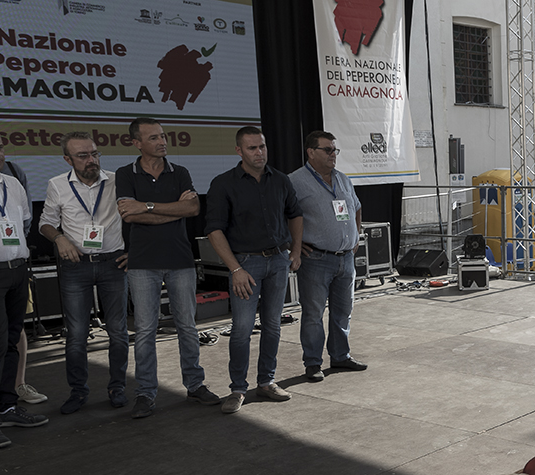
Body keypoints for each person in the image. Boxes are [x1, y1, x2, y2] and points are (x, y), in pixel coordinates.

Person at [116, 117, 221, 419]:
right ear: (136, 143)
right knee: (146, 330)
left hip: (180, 261)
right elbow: (128, 215)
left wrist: (146, 206)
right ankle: (146, 393)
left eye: (163, 136)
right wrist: (171, 210)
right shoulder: (126, 174)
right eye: (153, 138)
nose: (162, 142)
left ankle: (195, 384)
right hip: (142, 263)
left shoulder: (180, 172)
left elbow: (192, 209)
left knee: (187, 326)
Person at [204, 126, 303, 415]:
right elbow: (214, 229)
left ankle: (266, 381)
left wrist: (294, 252)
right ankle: (237, 389)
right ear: (239, 151)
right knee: (242, 329)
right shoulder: (223, 184)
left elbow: (295, 214)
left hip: (278, 261)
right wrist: (235, 269)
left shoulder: (281, 180)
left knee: (273, 325)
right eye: (252, 148)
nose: (259, 152)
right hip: (246, 264)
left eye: (262, 146)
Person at [0, 123, 49, 449]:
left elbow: (24, 224)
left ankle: (7, 406)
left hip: (17, 270)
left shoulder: (14, 184)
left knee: (11, 342)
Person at [39, 131, 129, 414]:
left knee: (118, 330)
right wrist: (59, 238)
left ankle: (118, 386)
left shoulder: (117, 180)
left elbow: (135, 216)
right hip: (75, 265)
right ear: (67, 159)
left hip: (114, 263)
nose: (91, 160)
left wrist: (134, 250)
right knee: (77, 333)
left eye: (94, 153)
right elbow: (46, 223)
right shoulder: (57, 185)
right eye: (83, 155)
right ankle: (78, 392)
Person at [288, 130, 367, 382]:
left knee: (343, 311)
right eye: (328, 150)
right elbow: (283, 216)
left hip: (345, 259)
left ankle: (340, 356)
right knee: (313, 314)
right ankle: (312, 363)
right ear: (311, 152)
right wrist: (295, 245)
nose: (333, 155)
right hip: (316, 260)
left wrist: (356, 235)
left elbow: (356, 206)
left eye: (335, 150)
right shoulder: (294, 181)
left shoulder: (342, 178)